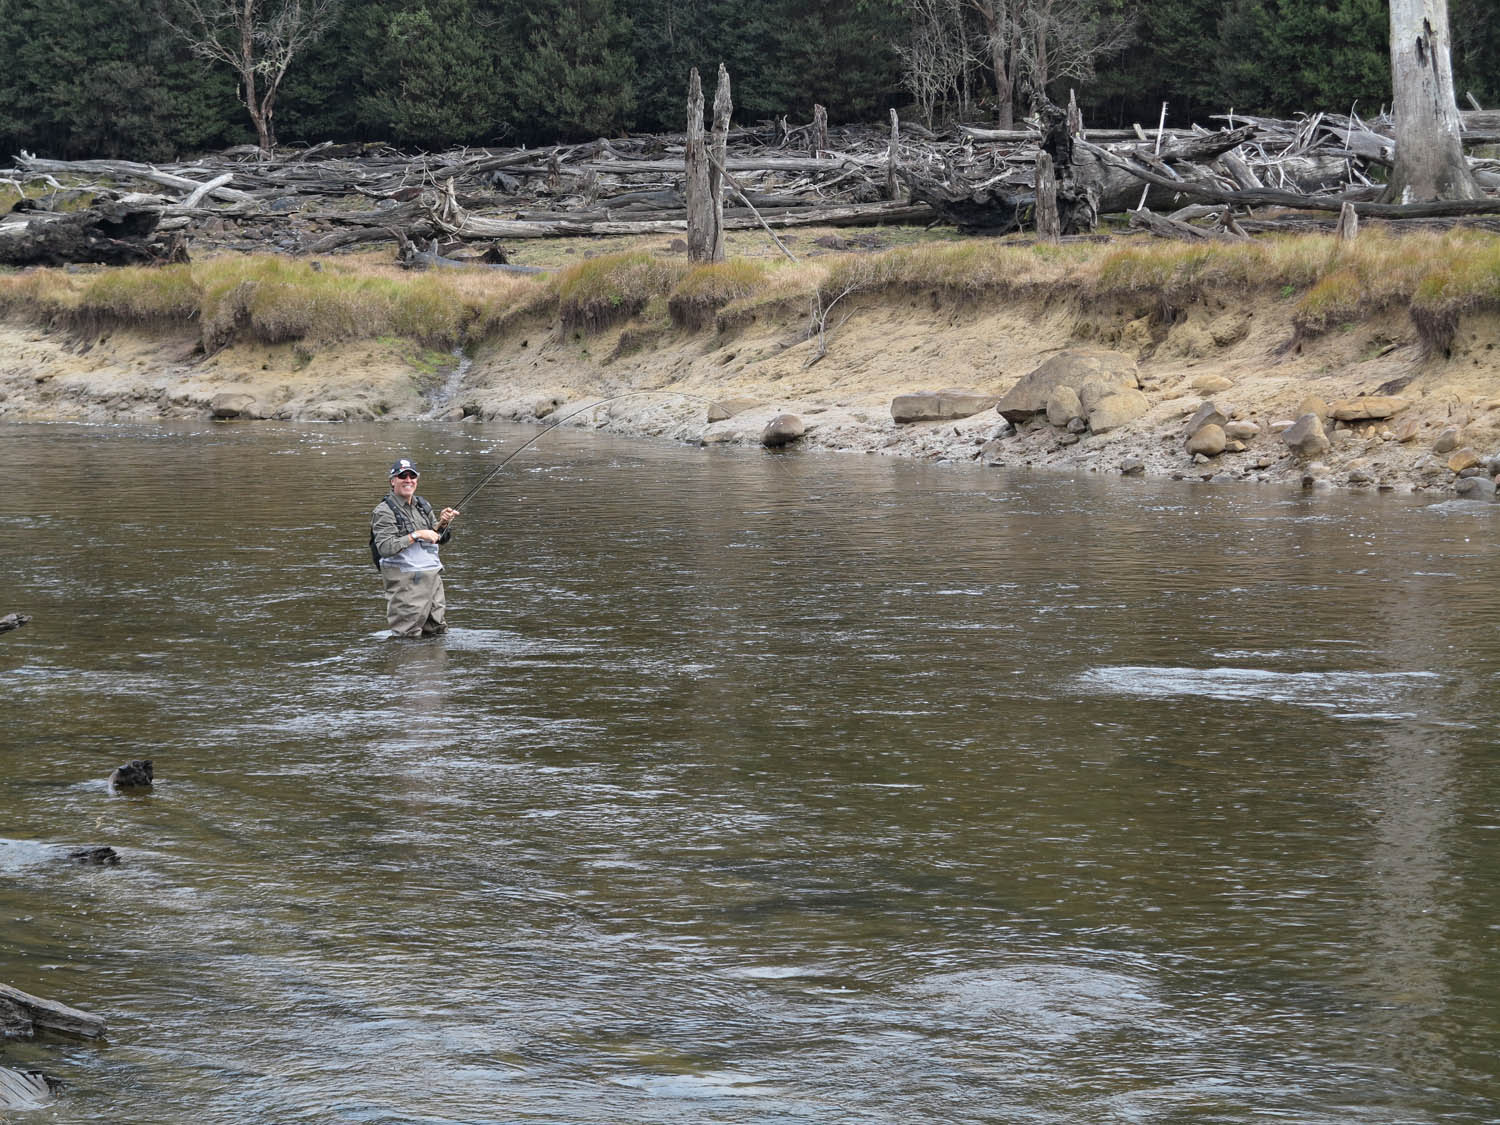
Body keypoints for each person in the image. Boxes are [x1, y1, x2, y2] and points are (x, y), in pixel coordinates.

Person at [371, 457, 460, 637]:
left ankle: (435, 665)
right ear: (392, 481)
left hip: (432, 576)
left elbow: (439, 538)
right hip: (406, 579)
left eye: (412, 476)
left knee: (437, 630)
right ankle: (404, 664)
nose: (408, 480)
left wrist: (443, 524)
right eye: (403, 475)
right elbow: (386, 548)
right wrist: (417, 534)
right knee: (407, 635)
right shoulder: (383, 511)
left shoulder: (422, 505)